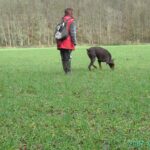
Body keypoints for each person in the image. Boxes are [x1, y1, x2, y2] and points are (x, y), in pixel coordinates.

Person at [56, 8, 77, 74]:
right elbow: (73, 33)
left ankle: (66, 71)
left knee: (63, 57)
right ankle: (68, 72)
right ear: (71, 13)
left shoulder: (61, 20)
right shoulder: (71, 21)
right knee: (68, 57)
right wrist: (74, 42)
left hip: (60, 42)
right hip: (68, 43)